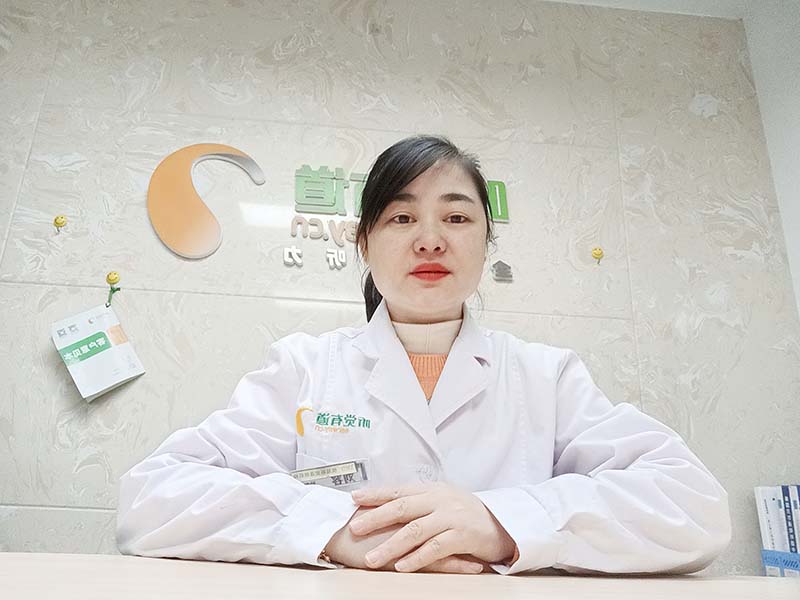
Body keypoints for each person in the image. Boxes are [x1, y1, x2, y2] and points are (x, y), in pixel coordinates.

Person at [117, 135, 732, 575]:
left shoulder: (547, 376)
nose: (431, 240)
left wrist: (501, 523)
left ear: (487, 242)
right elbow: (151, 498)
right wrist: (330, 528)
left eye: (456, 217)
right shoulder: (303, 367)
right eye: (402, 217)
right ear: (364, 243)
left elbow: (694, 506)